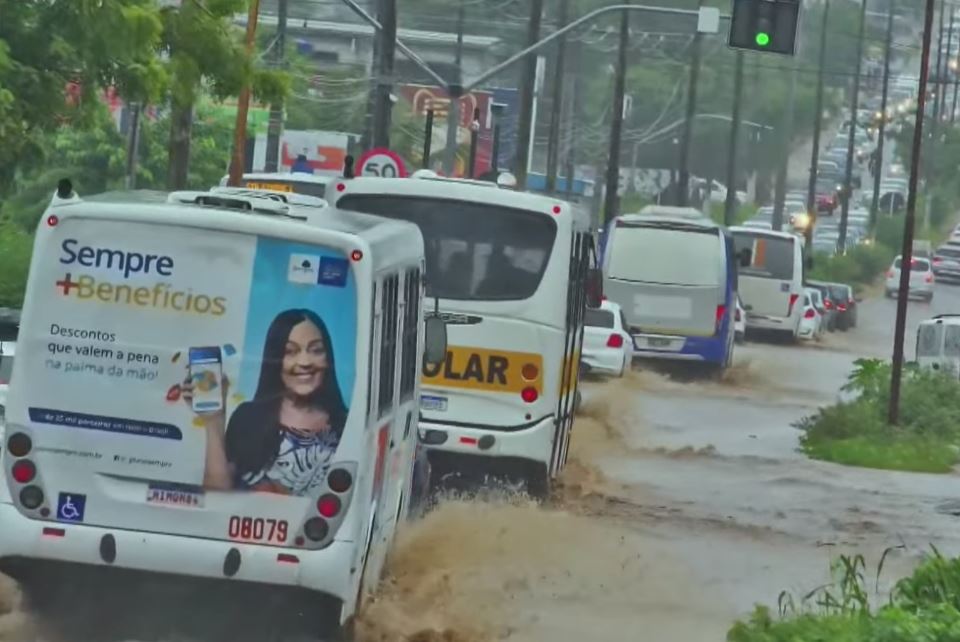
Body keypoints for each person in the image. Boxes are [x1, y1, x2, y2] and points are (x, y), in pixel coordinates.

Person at [182, 309, 348, 495]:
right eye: (290, 352)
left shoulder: (348, 426)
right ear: (275, 359)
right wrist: (214, 421)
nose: (304, 361)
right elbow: (216, 495)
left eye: (316, 350)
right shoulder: (248, 418)